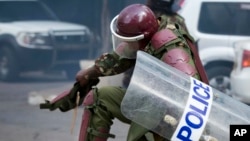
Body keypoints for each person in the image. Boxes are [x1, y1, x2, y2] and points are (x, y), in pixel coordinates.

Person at [40, 3, 208, 141]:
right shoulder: (150, 31)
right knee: (99, 98)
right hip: (151, 100)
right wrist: (89, 73)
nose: (125, 44)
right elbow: (119, 58)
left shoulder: (170, 46)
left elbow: (189, 93)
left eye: (129, 40)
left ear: (140, 39)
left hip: (175, 115)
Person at [122, 0, 189, 88]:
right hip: (165, 82)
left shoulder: (144, 17)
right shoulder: (178, 21)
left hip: (141, 80)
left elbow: (129, 51)